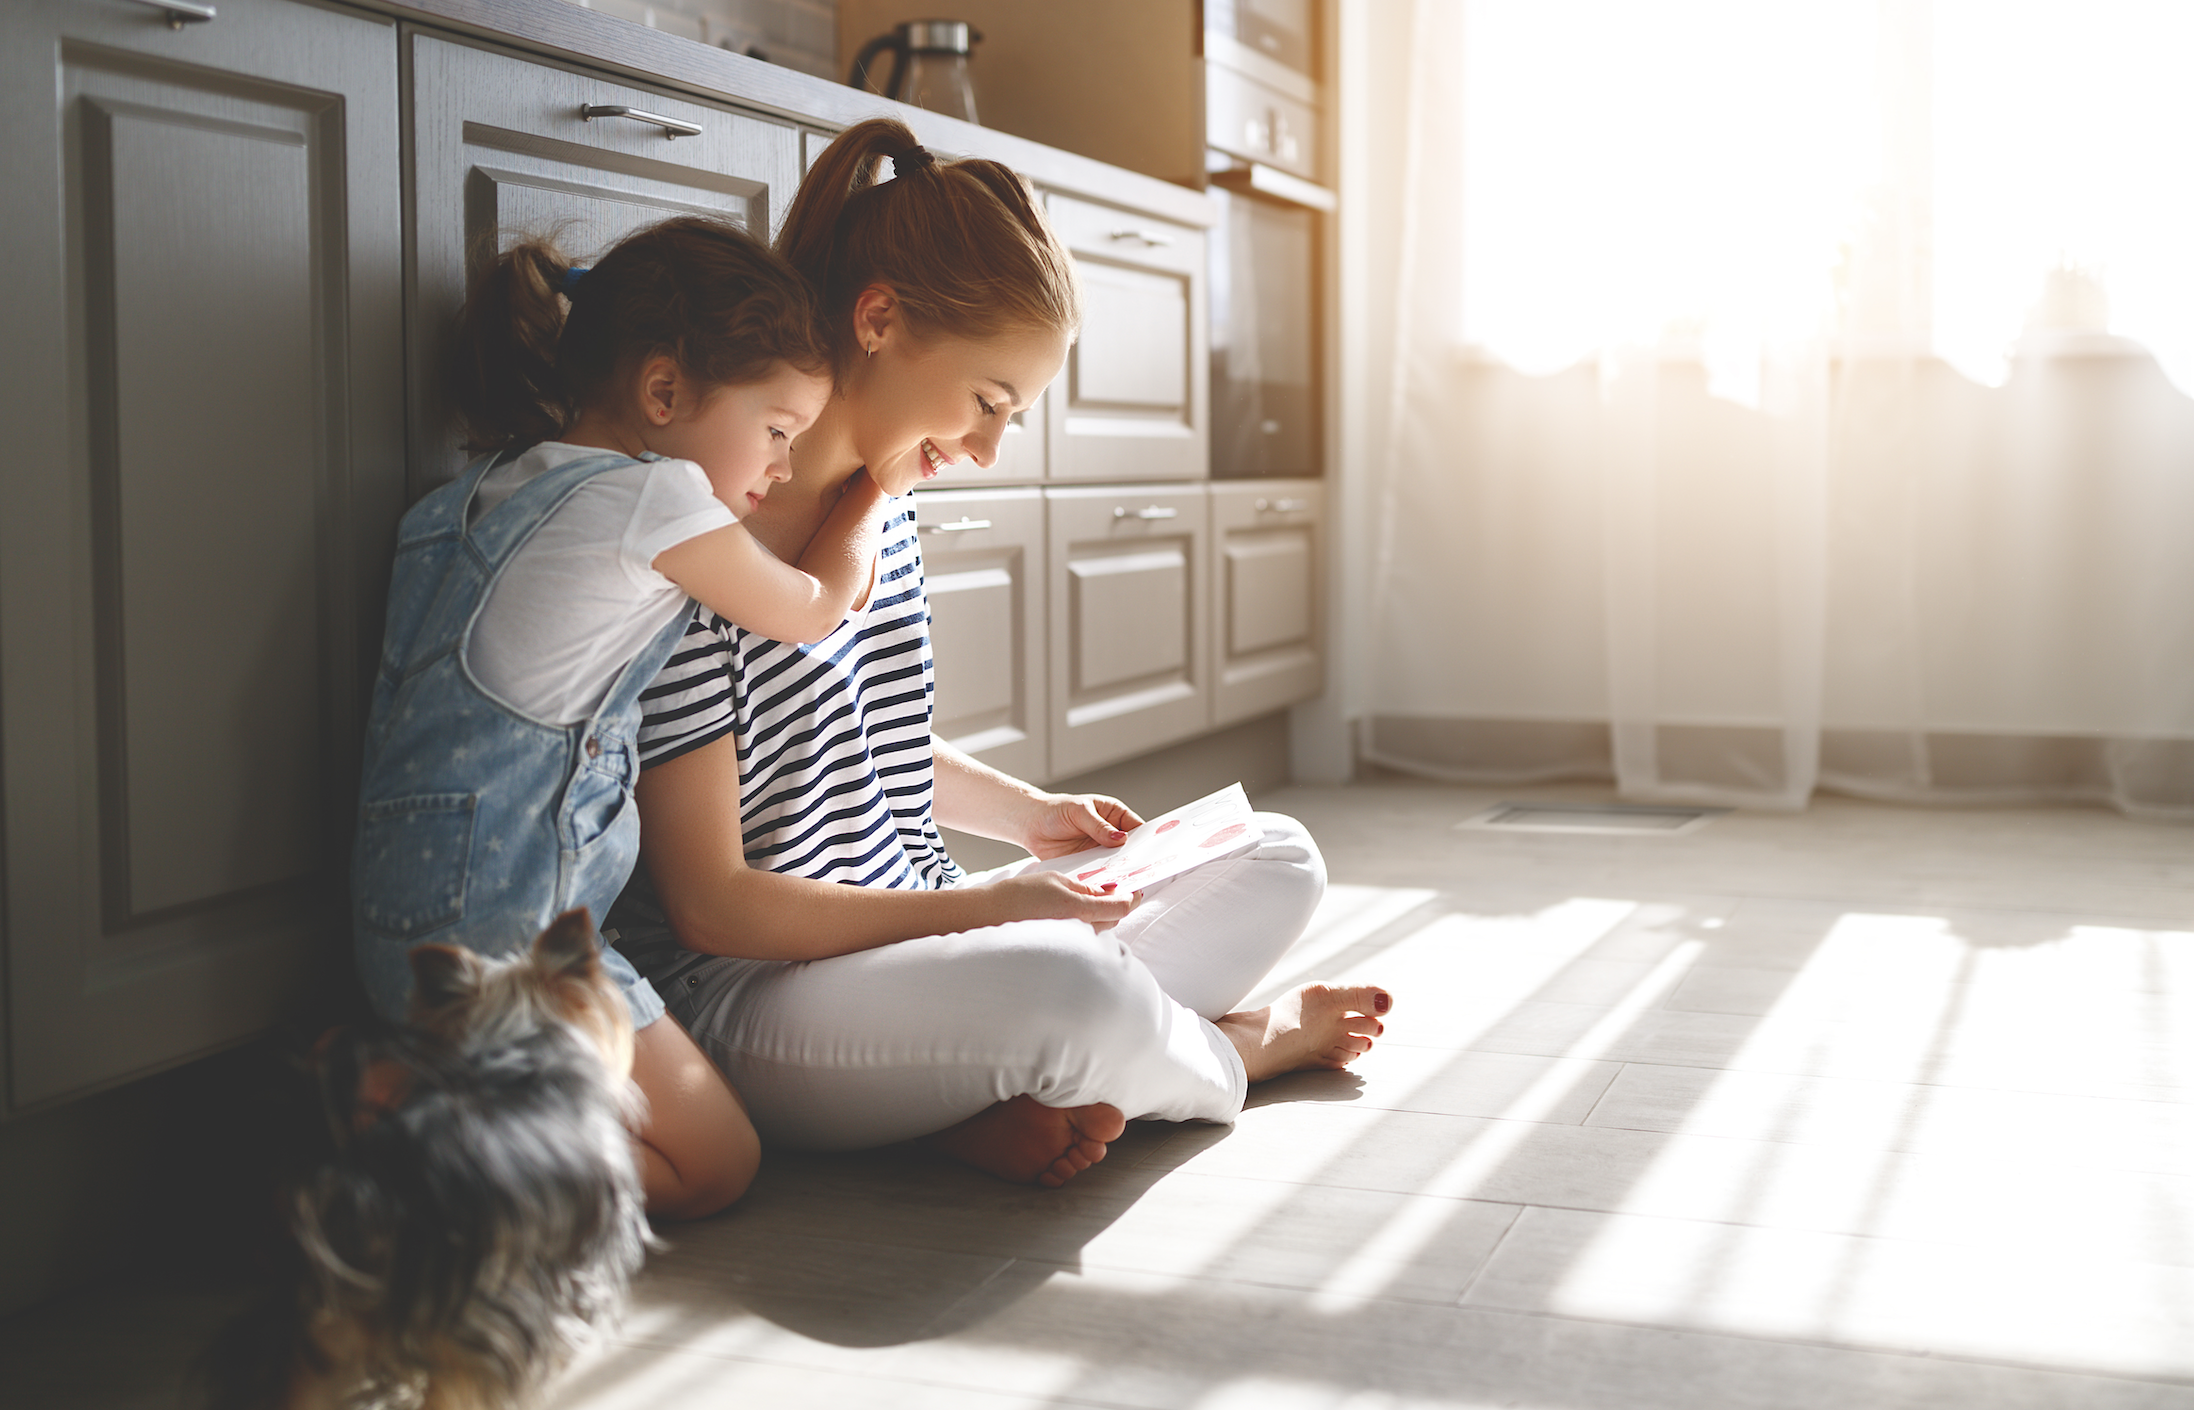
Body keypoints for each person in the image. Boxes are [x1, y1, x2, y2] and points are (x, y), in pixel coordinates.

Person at [608, 119, 1392, 1193]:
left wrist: (1028, 818)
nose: (985, 448)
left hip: (909, 936)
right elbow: (709, 907)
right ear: (877, 318)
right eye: (987, 403)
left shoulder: (880, 507)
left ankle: (971, 1094)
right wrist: (992, 908)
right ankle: (1237, 1049)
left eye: (1010, 416)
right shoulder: (699, 535)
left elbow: (863, 745)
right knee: (1072, 990)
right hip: (757, 993)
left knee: (1275, 853)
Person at [351, 216, 886, 1217]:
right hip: (515, 937)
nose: (780, 466)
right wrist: (869, 504)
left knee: (639, 1131)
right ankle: (423, 1125)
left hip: (395, 928)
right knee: (715, 1165)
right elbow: (810, 614)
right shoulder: (659, 498)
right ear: (663, 393)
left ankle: (432, 1098)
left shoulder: (468, 498)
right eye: (776, 429)